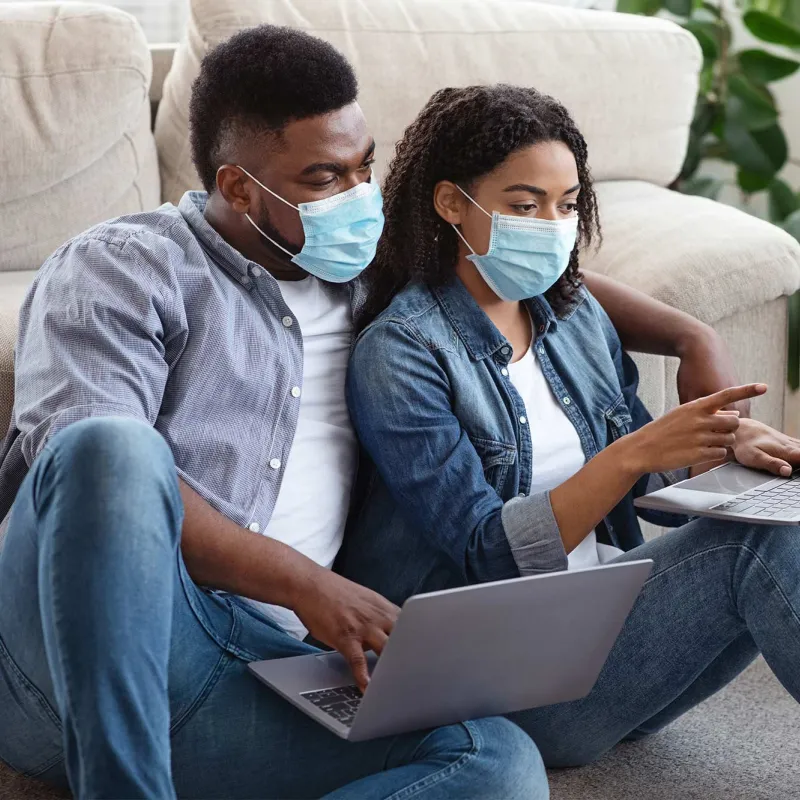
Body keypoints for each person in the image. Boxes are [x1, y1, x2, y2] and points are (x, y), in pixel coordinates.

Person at [0, 24, 761, 798]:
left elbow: (516, 270)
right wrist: (310, 588)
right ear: (238, 188)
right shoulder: (123, 267)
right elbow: (89, 490)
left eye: (366, 167)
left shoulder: (364, 265)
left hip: (261, 669)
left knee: (495, 764)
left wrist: (684, 333)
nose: (358, 198)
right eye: (326, 178)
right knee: (110, 448)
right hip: (72, 664)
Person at [338, 84, 800, 768]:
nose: (552, 225)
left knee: (781, 514)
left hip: (605, 637)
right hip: (503, 679)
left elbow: (661, 492)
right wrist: (634, 454)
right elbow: (487, 555)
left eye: (567, 204)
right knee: (758, 550)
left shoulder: (573, 316)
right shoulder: (403, 353)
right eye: (524, 206)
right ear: (451, 204)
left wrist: (727, 450)